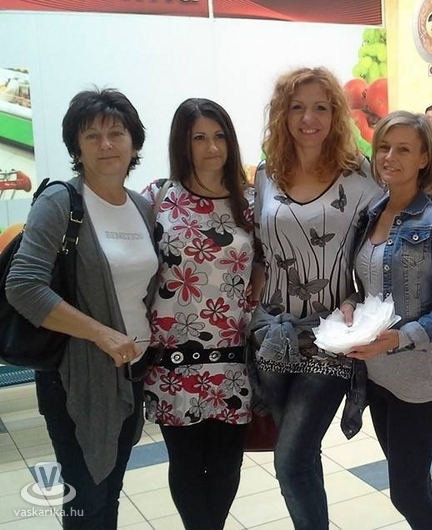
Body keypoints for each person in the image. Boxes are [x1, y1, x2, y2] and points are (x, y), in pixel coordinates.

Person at [6, 88, 158, 528]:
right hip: (76, 375)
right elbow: (23, 286)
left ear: (134, 143)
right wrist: (101, 333)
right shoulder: (61, 202)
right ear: (77, 147)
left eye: (116, 133)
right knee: (85, 499)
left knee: (110, 492)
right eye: (91, 136)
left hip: (131, 371)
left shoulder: (142, 207)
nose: (105, 144)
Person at [252, 66, 382, 529]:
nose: (309, 119)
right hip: (272, 337)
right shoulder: (266, 175)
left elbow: (381, 249)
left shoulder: (362, 177)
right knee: (303, 455)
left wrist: (362, 303)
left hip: (330, 337)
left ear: (336, 115)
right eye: (298, 107)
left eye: (321, 108)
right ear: (282, 114)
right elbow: (260, 252)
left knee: (289, 460)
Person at [343, 111, 432, 530]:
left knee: (406, 490)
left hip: (419, 379)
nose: (390, 157)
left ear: (424, 158)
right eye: (383, 147)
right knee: (414, 482)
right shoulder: (368, 215)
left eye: (403, 149)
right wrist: (350, 306)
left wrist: (399, 338)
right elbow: (366, 285)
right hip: (376, 374)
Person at [141, 98, 264, 530]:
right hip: (173, 361)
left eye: (219, 136)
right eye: (199, 138)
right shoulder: (158, 197)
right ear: (182, 143)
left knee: (228, 465)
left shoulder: (249, 203)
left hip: (233, 360)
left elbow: (264, 262)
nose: (212, 147)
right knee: (187, 464)